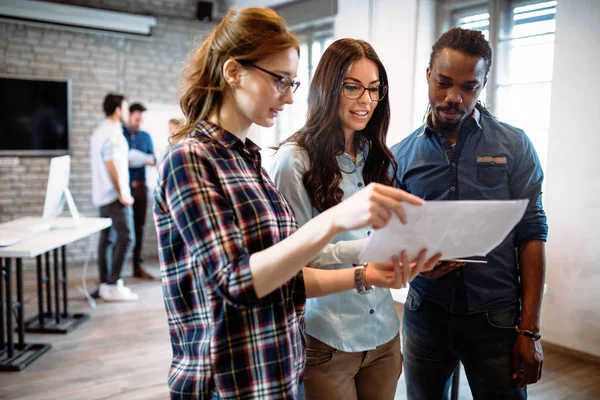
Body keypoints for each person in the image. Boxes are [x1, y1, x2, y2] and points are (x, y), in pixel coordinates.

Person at [153, 8, 440, 400]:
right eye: (280, 80)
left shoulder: (248, 160)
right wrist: (338, 223)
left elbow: (288, 279)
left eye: (293, 82)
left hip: (276, 371)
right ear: (233, 71)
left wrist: (372, 272)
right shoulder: (191, 159)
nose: (289, 96)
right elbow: (236, 282)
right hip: (228, 380)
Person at [391, 27, 548, 399]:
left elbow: (532, 234)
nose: (453, 98)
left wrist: (530, 331)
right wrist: (415, 264)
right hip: (424, 315)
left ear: (483, 84)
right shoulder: (400, 156)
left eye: (468, 87)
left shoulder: (515, 145)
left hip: (497, 319)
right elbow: (393, 239)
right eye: (444, 82)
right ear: (427, 75)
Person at [270, 38, 412, 400]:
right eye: (352, 87)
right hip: (327, 338)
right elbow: (297, 259)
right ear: (327, 87)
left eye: (374, 89)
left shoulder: (375, 155)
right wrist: (370, 250)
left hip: (383, 331)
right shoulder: (294, 161)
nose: (365, 100)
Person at [90, 93, 138, 301]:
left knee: (107, 240)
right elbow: (111, 165)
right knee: (127, 238)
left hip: (101, 195)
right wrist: (122, 194)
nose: (127, 114)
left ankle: (104, 285)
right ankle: (113, 283)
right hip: (114, 196)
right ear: (118, 110)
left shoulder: (99, 132)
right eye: (126, 109)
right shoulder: (114, 133)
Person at [123, 102, 156, 280]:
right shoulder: (119, 135)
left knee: (139, 228)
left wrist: (141, 159)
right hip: (124, 188)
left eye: (141, 119)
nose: (138, 122)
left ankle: (137, 267)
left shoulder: (145, 136)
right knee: (120, 231)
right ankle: (115, 273)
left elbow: (153, 159)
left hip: (141, 188)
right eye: (136, 119)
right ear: (129, 116)